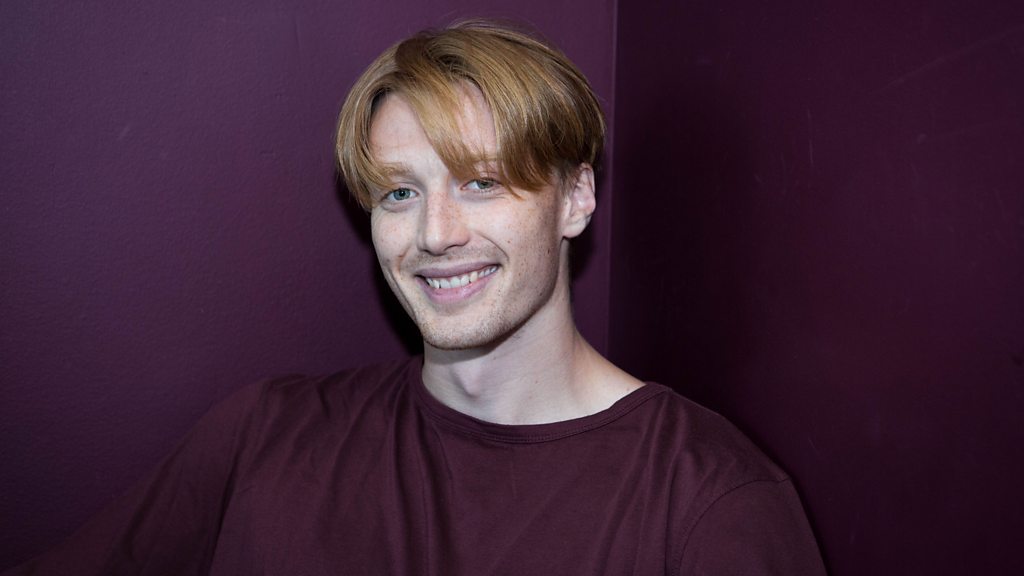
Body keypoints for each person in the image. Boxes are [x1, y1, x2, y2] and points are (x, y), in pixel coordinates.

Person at [5, 20, 826, 575]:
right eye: (400, 193)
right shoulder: (263, 438)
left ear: (576, 199)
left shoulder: (709, 504)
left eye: (481, 181)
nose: (435, 234)